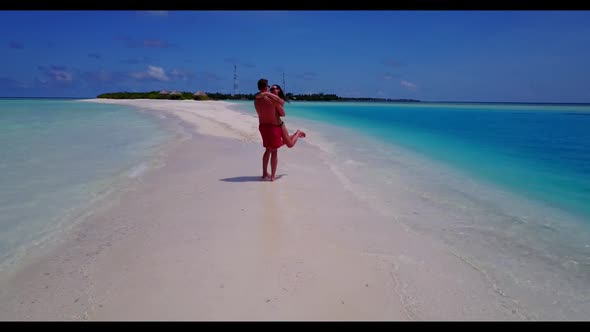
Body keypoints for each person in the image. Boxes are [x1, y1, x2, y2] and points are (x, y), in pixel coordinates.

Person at [254, 78, 306, 182]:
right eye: (270, 87)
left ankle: (269, 175)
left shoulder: (261, 99)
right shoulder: (265, 98)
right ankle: (268, 175)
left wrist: (267, 95)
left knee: (272, 149)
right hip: (269, 127)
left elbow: (282, 113)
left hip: (269, 126)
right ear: (265, 87)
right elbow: (282, 112)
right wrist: (268, 96)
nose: (271, 89)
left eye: (274, 88)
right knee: (271, 149)